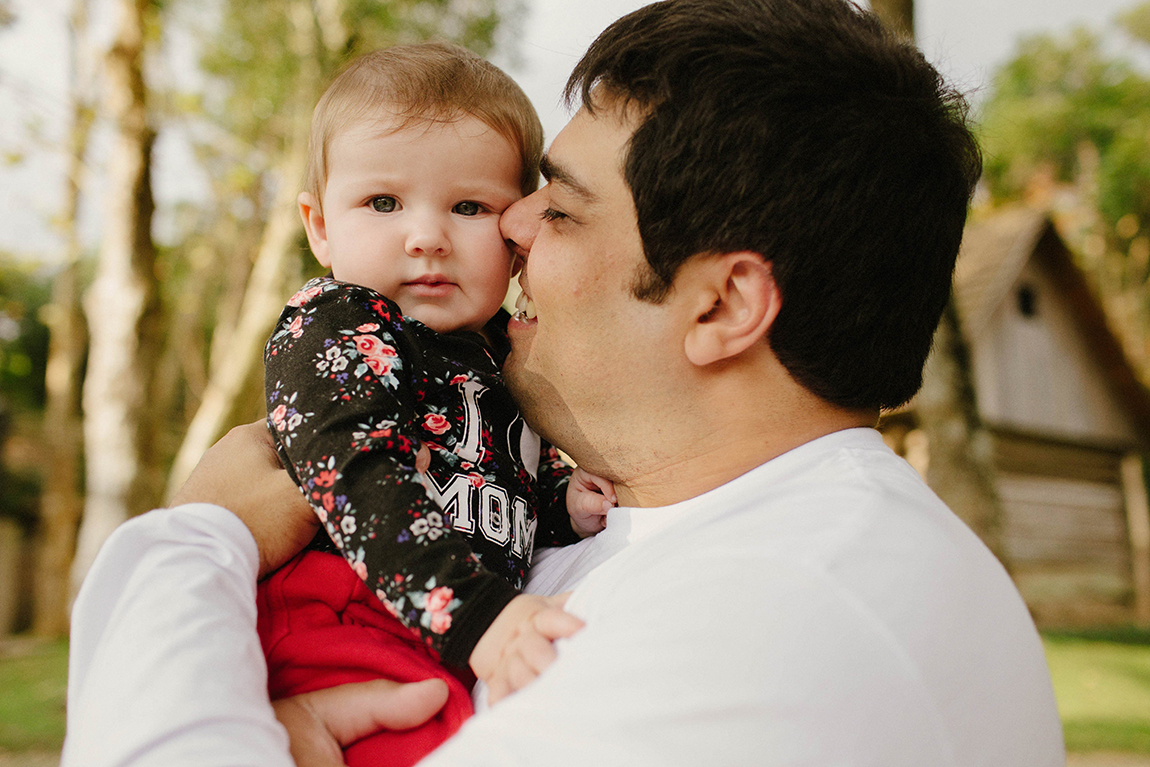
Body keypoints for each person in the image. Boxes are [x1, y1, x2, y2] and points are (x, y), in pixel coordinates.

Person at [62, 0, 1067, 765]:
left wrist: (190, 536)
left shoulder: (782, 615)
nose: (506, 227)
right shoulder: (658, 532)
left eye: (565, 209)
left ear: (720, 305)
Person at [256, 42, 614, 767]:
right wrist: (478, 615)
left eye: (469, 206)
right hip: (345, 620)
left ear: (515, 236)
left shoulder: (500, 355)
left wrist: (558, 503)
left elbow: (488, 487)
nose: (426, 237)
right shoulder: (342, 322)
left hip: (438, 634)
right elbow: (354, 474)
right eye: (383, 202)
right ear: (320, 224)